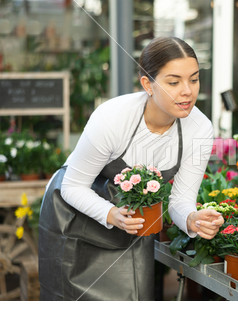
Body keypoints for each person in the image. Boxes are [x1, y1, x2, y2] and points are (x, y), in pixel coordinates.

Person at [38, 37, 224, 301]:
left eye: (194, 79)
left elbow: (180, 200)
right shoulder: (113, 118)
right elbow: (72, 185)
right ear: (148, 84)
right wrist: (112, 214)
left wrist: (192, 220)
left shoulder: (200, 129)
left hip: (131, 227)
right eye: (174, 82)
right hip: (75, 219)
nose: (187, 91)